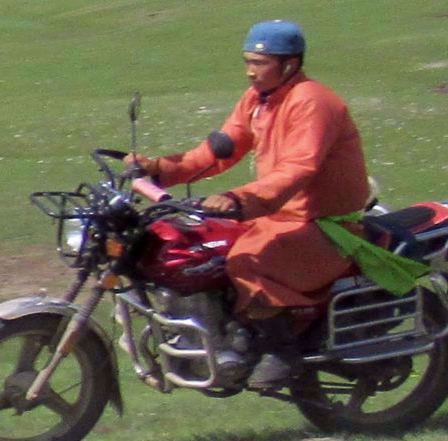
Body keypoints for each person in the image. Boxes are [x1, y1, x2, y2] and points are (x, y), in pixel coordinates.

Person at [128, 20, 370, 390]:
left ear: (289, 64)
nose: (249, 71)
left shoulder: (313, 102)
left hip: (324, 223)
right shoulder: (258, 100)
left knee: (244, 260)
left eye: (259, 62)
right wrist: (159, 169)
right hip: (279, 218)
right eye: (248, 61)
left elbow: (299, 168)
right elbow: (218, 151)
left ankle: (282, 353)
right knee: (207, 248)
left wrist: (239, 198)